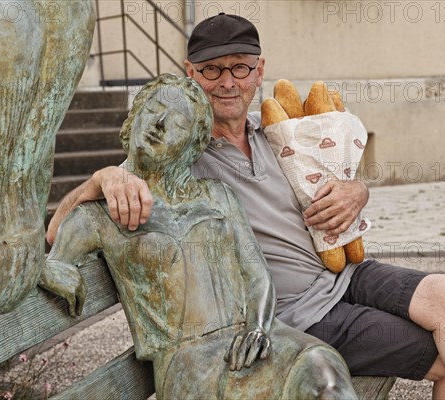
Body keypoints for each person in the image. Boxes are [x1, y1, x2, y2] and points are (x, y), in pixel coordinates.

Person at [47, 13, 445, 399]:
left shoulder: (281, 131)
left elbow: (341, 172)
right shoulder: (173, 155)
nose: (227, 82)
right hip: (300, 315)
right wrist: (101, 178)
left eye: (240, 67)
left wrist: (358, 190)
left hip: (347, 276)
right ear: (191, 74)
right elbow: (57, 231)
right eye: (212, 70)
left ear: (259, 71)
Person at [40, 73, 357, 399]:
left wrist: (260, 326)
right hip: (189, 363)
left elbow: (257, 275)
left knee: (323, 370)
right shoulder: (99, 214)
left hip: (254, 336)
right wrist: (97, 182)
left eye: (176, 122)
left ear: (192, 144)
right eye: (154, 108)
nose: (159, 124)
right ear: (134, 115)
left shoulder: (218, 196)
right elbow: (51, 252)